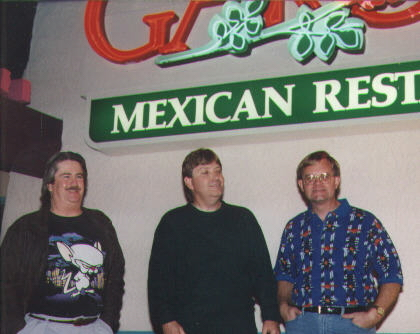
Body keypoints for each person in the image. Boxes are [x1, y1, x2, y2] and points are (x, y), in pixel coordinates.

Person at [148, 148, 280, 334]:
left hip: (239, 326)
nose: (215, 177)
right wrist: (166, 320)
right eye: (205, 172)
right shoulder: (172, 223)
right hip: (189, 327)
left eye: (218, 171)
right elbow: (158, 282)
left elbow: (263, 274)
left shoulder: (243, 219)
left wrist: (271, 316)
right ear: (189, 182)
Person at [274, 150, 403, 334]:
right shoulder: (294, 227)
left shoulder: (365, 222)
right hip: (303, 324)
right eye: (310, 178)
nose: (317, 183)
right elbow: (284, 275)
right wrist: (283, 306)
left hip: (352, 324)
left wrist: (376, 314)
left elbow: (392, 273)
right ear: (301, 185)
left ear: (336, 180)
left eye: (324, 176)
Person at [1, 151, 125, 334]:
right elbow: (5, 282)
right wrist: (18, 329)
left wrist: (107, 323)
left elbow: (116, 276)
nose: (74, 183)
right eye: (66, 176)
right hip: (42, 327)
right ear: (50, 185)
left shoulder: (101, 223)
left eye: (79, 176)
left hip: (93, 327)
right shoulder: (26, 227)